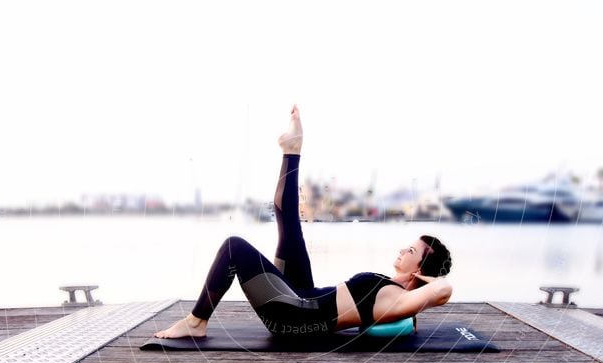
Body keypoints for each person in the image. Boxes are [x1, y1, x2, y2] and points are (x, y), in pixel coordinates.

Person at [154, 105, 452, 339]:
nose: (403, 250)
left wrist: (424, 280)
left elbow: (442, 291)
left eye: (411, 252)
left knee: (234, 248)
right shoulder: (391, 286)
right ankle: (292, 149)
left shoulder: (396, 299)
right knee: (290, 229)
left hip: (293, 320)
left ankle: (196, 322)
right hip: (302, 299)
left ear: (421, 270)